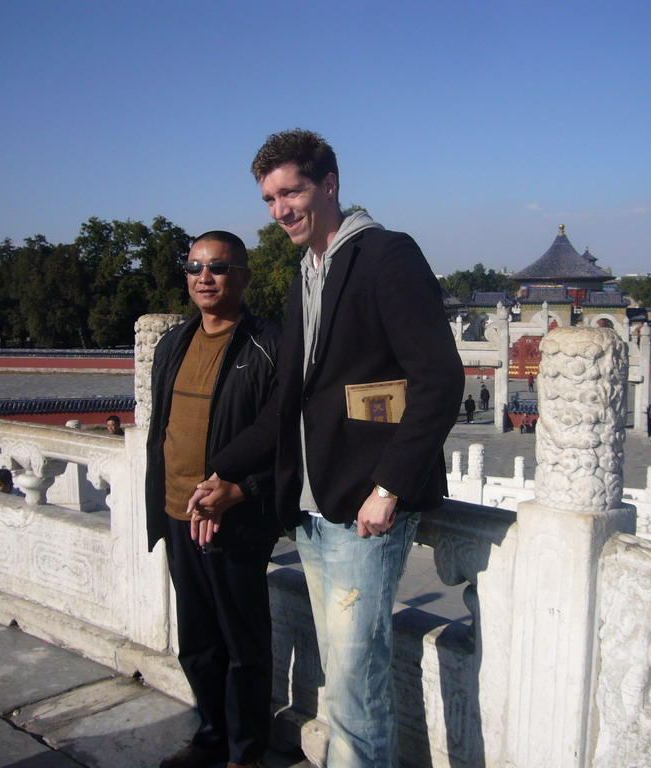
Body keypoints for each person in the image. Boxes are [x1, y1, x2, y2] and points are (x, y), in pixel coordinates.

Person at [205, 129, 463, 767]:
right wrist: (222, 469)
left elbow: (439, 379)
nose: (279, 210)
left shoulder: (385, 257)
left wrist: (390, 487)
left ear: (329, 184)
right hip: (314, 513)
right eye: (268, 198)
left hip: (365, 511)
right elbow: (287, 400)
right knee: (343, 680)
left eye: (290, 191)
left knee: (353, 686)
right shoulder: (304, 275)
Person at [145, 231, 281, 768]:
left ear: (243, 277)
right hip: (180, 512)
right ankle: (211, 736)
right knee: (197, 644)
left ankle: (246, 752)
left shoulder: (269, 344)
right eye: (195, 267)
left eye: (219, 267)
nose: (205, 277)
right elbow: (164, 429)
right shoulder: (173, 343)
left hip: (235, 515)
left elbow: (287, 435)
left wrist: (241, 490)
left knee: (242, 647)